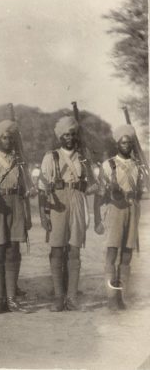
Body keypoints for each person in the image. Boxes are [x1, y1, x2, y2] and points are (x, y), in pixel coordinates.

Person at [38, 116, 98, 312]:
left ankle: (72, 297)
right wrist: (43, 214)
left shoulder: (83, 157)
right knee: (57, 248)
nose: (69, 138)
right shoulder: (51, 157)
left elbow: (93, 184)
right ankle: (58, 296)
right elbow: (42, 187)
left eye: (72, 134)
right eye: (65, 135)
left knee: (74, 249)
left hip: (78, 199)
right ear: (59, 137)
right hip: (57, 201)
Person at [0, 120, 31, 314]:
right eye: (4, 137)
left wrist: (27, 212)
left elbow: (26, 189)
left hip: (16, 204)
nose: (8, 141)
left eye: (11, 137)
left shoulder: (20, 162)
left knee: (14, 250)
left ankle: (11, 298)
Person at [95, 124, 143, 311]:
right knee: (112, 251)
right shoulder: (108, 165)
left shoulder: (137, 166)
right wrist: (98, 219)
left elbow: (139, 191)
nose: (126, 145)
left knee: (127, 253)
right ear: (117, 144)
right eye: (123, 143)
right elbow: (100, 194)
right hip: (114, 208)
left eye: (129, 143)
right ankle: (111, 297)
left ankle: (121, 296)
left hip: (132, 208)